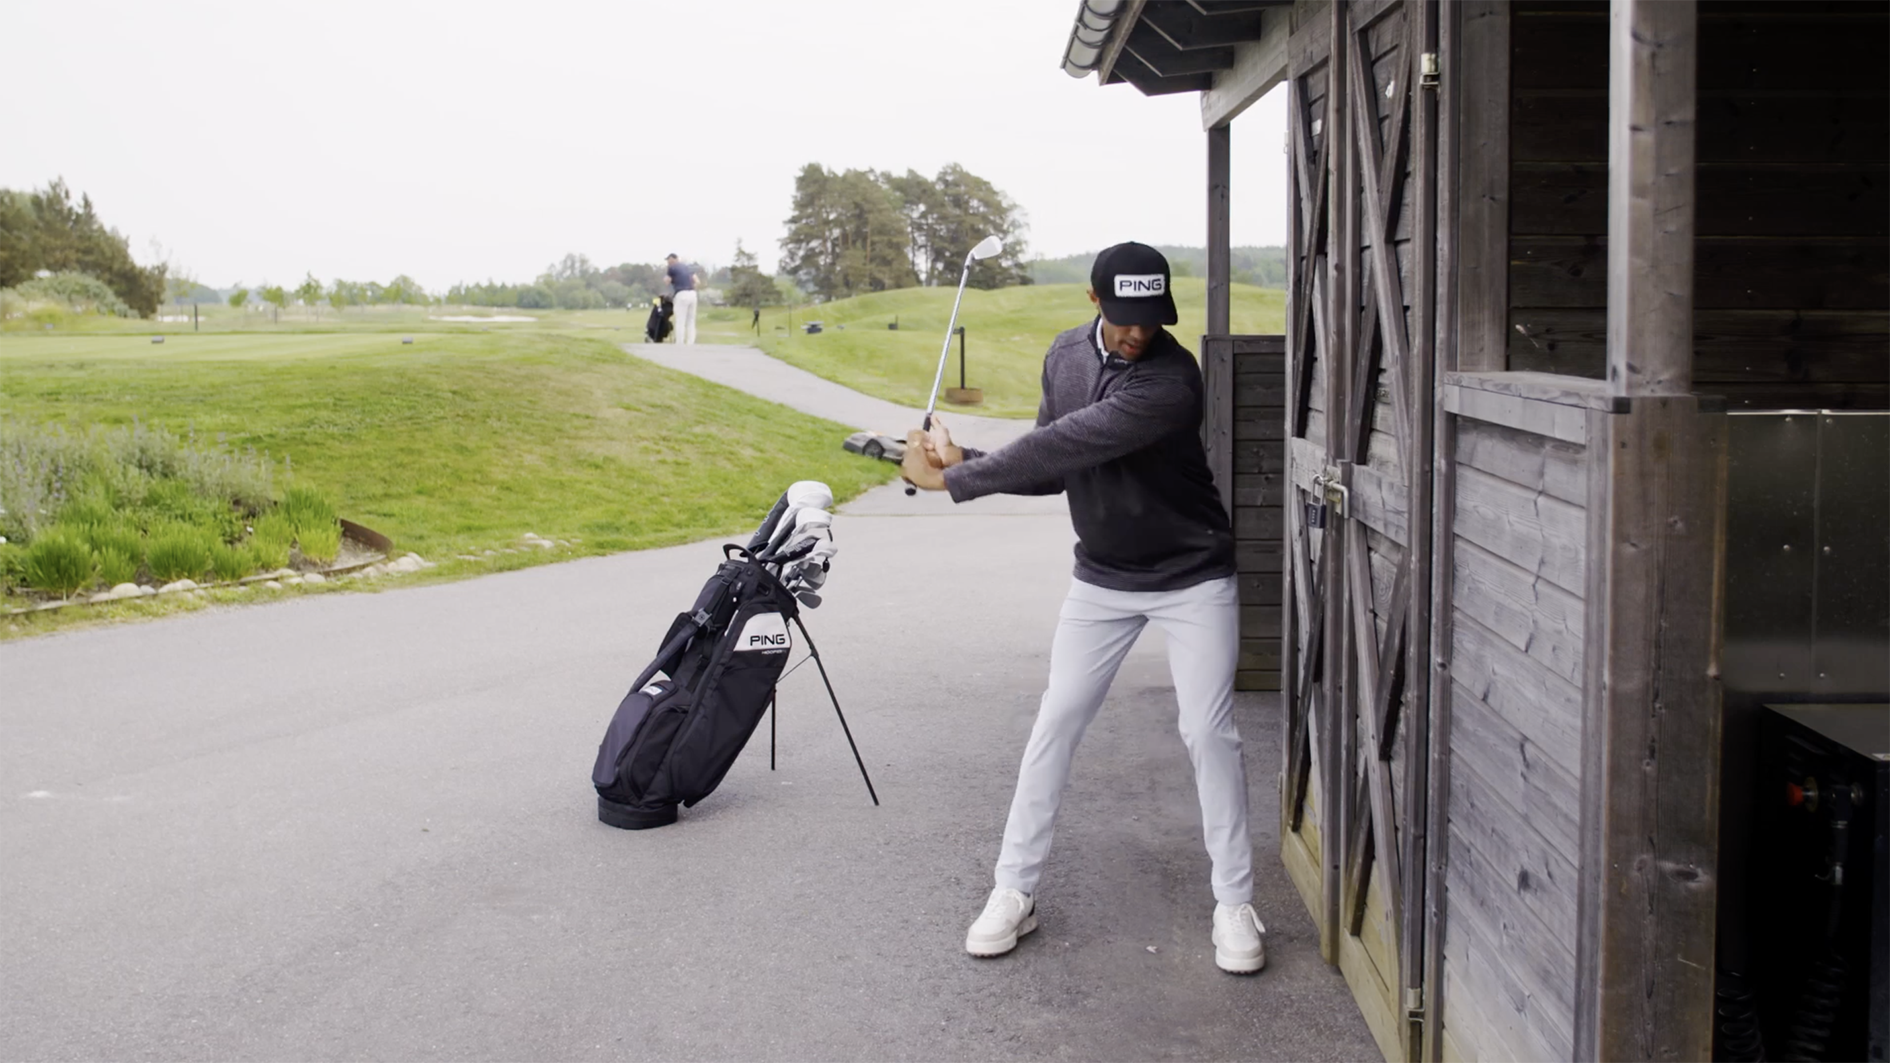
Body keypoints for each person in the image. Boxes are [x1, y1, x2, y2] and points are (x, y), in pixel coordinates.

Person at [901, 241, 1267, 975]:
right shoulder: (1065, 356)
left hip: (1192, 575)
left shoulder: (1172, 379)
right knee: (1055, 721)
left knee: (1207, 730)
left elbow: (1079, 438)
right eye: (1126, 318)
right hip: (1102, 578)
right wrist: (963, 457)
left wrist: (957, 478)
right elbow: (1051, 462)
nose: (1139, 333)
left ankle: (1234, 900)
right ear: (1096, 303)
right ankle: (1014, 889)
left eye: (1152, 319)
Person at [664, 253, 700, 344]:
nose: (668, 262)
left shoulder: (672, 268)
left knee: (680, 320)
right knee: (691, 320)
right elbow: (697, 281)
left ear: (673, 259)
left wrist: (669, 279)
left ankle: (680, 343)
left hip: (681, 294)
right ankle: (690, 342)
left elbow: (667, 282)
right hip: (692, 293)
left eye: (668, 260)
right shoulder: (688, 267)